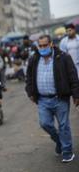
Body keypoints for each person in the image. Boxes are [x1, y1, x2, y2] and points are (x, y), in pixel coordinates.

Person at [25, 34, 79, 163]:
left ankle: (67, 151)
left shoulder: (63, 57)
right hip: (43, 99)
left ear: (51, 44)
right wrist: (30, 92)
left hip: (60, 98)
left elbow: (73, 76)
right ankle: (59, 141)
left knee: (63, 125)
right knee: (45, 123)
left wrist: (76, 95)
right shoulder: (34, 59)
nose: (42, 48)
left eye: (45, 45)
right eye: (40, 46)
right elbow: (29, 78)